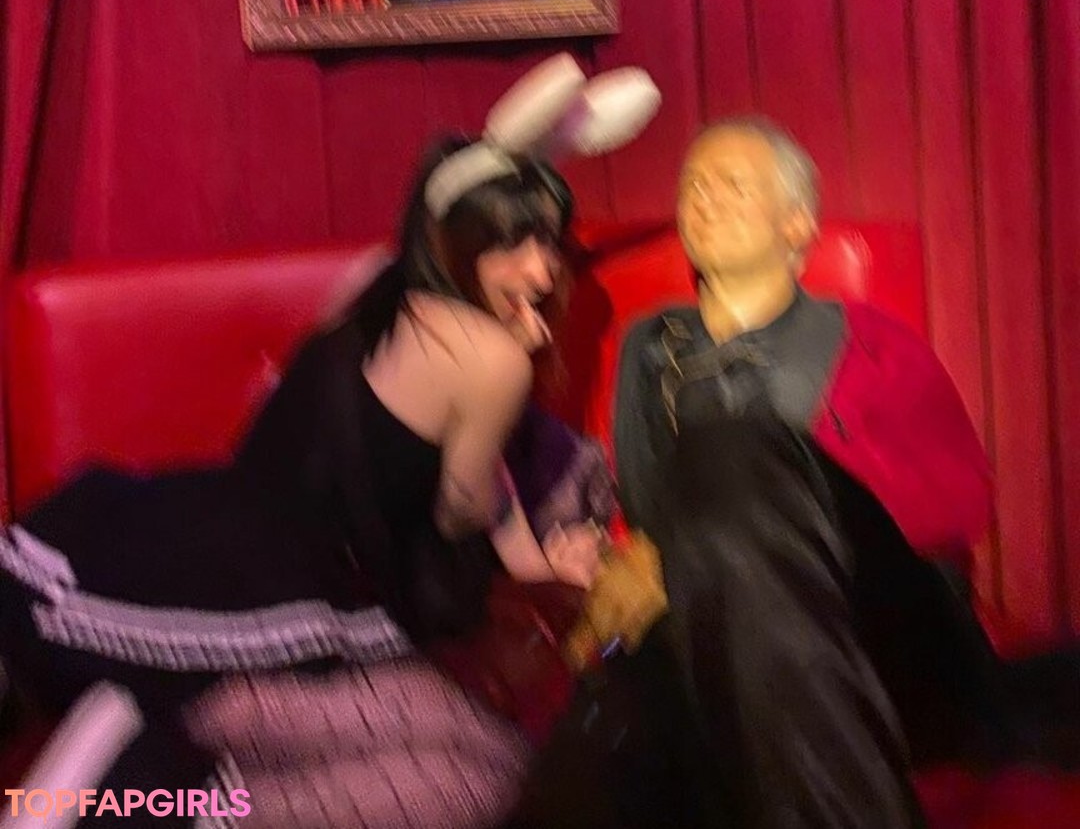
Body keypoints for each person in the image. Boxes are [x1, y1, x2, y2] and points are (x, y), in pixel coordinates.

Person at [0, 55, 662, 826]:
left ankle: (121, 767)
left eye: (550, 243)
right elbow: (461, 509)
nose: (543, 272)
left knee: (482, 768)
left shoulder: (380, 286)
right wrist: (539, 565)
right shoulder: (493, 359)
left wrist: (535, 561)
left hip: (179, 530)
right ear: (460, 241)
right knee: (480, 778)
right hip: (277, 593)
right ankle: (117, 785)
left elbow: (455, 480)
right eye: (511, 245)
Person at [603, 117, 1008, 828]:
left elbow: (958, 504)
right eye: (693, 185)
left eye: (732, 184)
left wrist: (781, 503)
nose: (704, 198)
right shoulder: (647, 349)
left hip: (870, 628)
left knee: (732, 450)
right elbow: (639, 508)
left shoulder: (871, 343)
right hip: (716, 623)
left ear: (797, 225)